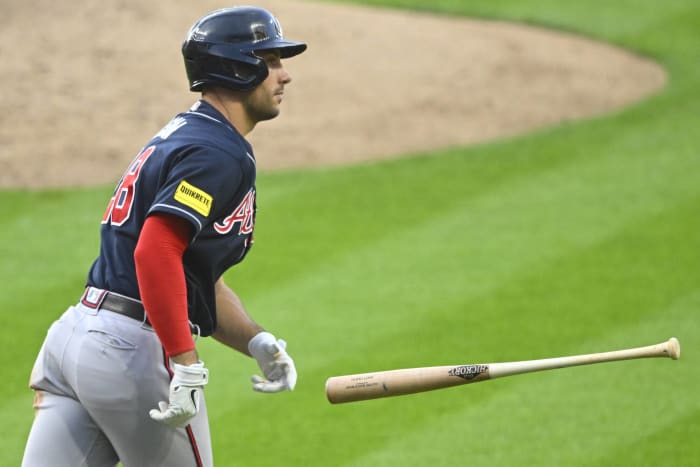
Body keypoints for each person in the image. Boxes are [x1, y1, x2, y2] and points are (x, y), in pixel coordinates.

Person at [22, 6, 306, 467]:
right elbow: (155, 251)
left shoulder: (185, 134)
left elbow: (193, 278)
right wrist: (185, 361)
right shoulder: (219, 154)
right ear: (237, 66)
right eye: (271, 60)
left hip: (77, 339)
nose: (284, 75)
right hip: (131, 354)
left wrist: (255, 340)